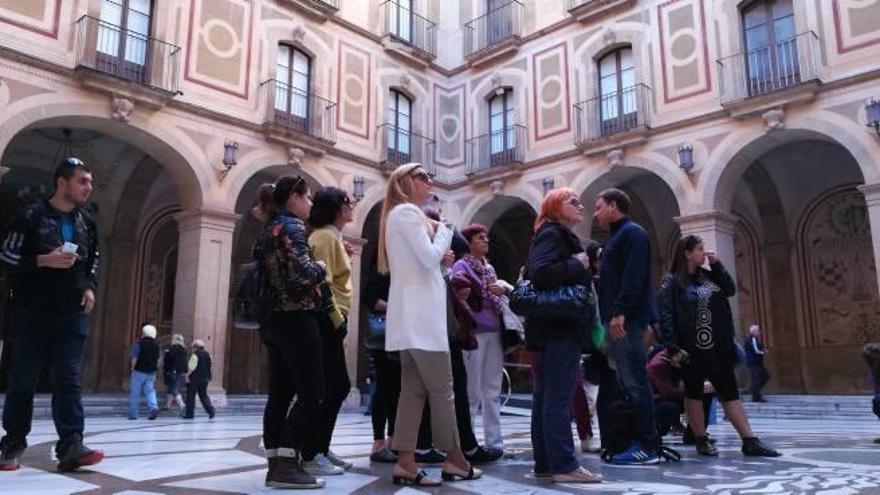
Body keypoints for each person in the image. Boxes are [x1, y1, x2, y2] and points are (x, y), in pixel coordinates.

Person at [378, 163, 481, 486]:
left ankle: (405, 463)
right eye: (423, 176)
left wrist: (444, 264)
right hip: (422, 322)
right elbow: (427, 257)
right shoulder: (407, 213)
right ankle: (455, 459)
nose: (429, 181)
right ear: (404, 181)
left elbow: (425, 268)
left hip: (412, 321)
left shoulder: (401, 216)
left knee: (413, 393)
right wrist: (446, 231)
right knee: (443, 391)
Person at [0, 157, 103, 472]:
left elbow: (91, 263)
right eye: (82, 181)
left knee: (69, 379)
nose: (88, 187)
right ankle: (12, 443)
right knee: (23, 379)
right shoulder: (29, 217)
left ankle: (71, 444)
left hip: (71, 313)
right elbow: (6, 258)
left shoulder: (86, 223)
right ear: (62, 182)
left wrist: (88, 287)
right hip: (30, 311)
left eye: (90, 182)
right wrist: (42, 260)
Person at [658, 234, 779, 458]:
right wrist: (673, 348)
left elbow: (730, 289)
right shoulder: (672, 281)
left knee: (730, 393)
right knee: (694, 394)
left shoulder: (710, 277)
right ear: (687, 252)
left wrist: (718, 265)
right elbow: (666, 315)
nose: (704, 252)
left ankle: (749, 441)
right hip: (691, 350)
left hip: (720, 349)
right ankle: (701, 439)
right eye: (700, 248)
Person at [524, 188, 602, 484]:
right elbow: (541, 273)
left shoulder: (550, 233)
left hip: (548, 327)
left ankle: (546, 462)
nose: (581, 205)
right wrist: (578, 264)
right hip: (558, 327)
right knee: (557, 397)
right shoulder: (554, 234)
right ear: (555, 207)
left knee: (546, 396)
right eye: (573, 201)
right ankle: (564, 465)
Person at [254, 175, 327, 489]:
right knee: (313, 392)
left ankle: (275, 462)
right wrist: (322, 266)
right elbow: (302, 276)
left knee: (280, 393)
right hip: (297, 316)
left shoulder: (268, 229)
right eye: (308, 197)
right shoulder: (294, 227)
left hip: (273, 320)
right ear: (293, 199)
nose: (310, 203)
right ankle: (286, 464)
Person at [594, 188, 660, 465]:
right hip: (619, 321)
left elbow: (634, 277)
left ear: (612, 205)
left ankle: (648, 446)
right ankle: (635, 441)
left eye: (599, 207)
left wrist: (620, 312)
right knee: (628, 383)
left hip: (627, 322)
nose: (596, 213)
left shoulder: (632, 233)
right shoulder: (618, 237)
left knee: (636, 382)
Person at [305, 186, 357, 475]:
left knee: (334, 387)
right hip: (327, 319)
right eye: (347, 202)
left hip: (331, 318)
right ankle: (311, 453)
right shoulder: (324, 237)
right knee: (333, 387)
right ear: (337, 208)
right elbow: (321, 283)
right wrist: (337, 319)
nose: (352, 206)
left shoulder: (330, 238)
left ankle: (320, 448)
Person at [451, 224, 506, 455]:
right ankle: (469, 443)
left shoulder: (490, 269)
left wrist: (501, 290)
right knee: (471, 391)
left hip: (495, 330)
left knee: (492, 389)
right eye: (480, 238)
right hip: (474, 333)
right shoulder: (461, 265)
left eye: (487, 238)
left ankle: (495, 443)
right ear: (469, 242)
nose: (486, 241)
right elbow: (456, 289)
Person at [363, 267, 400, 463]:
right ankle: (378, 443)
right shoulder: (380, 269)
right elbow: (368, 297)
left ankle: (393, 440)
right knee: (384, 386)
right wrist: (395, 307)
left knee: (397, 388)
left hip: (400, 333)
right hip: (383, 335)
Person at [128, 324, 160, 421]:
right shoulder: (156, 346)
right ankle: (153, 406)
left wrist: (132, 367)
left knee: (135, 393)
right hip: (151, 372)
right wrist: (155, 368)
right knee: (150, 391)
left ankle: (133, 414)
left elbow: (135, 357)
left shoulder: (139, 344)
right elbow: (159, 359)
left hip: (139, 371)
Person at [183, 339, 216, 420]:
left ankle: (189, 413)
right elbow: (210, 367)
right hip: (205, 379)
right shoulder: (208, 354)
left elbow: (191, 367)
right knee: (203, 395)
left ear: (195, 347)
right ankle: (211, 411)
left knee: (190, 396)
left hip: (194, 379)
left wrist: (187, 375)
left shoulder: (195, 355)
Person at [161, 334, 187, 412]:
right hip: (181, 371)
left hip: (172, 371)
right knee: (171, 387)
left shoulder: (171, 349)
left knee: (173, 388)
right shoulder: (183, 350)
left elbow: (168, 361)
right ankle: (167, 405)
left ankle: (182, 404)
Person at [746, 325, 770, 402]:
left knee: (764, 376)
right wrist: (764, 352)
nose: (760, 332)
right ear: (754, 332)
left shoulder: (754, 339)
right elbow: (755, 350)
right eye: (758, 330)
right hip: (754, 362)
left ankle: (754, 391)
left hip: (757, 362)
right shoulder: (752, 339)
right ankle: (755, 396)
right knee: (758, 379)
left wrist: (762, 349)